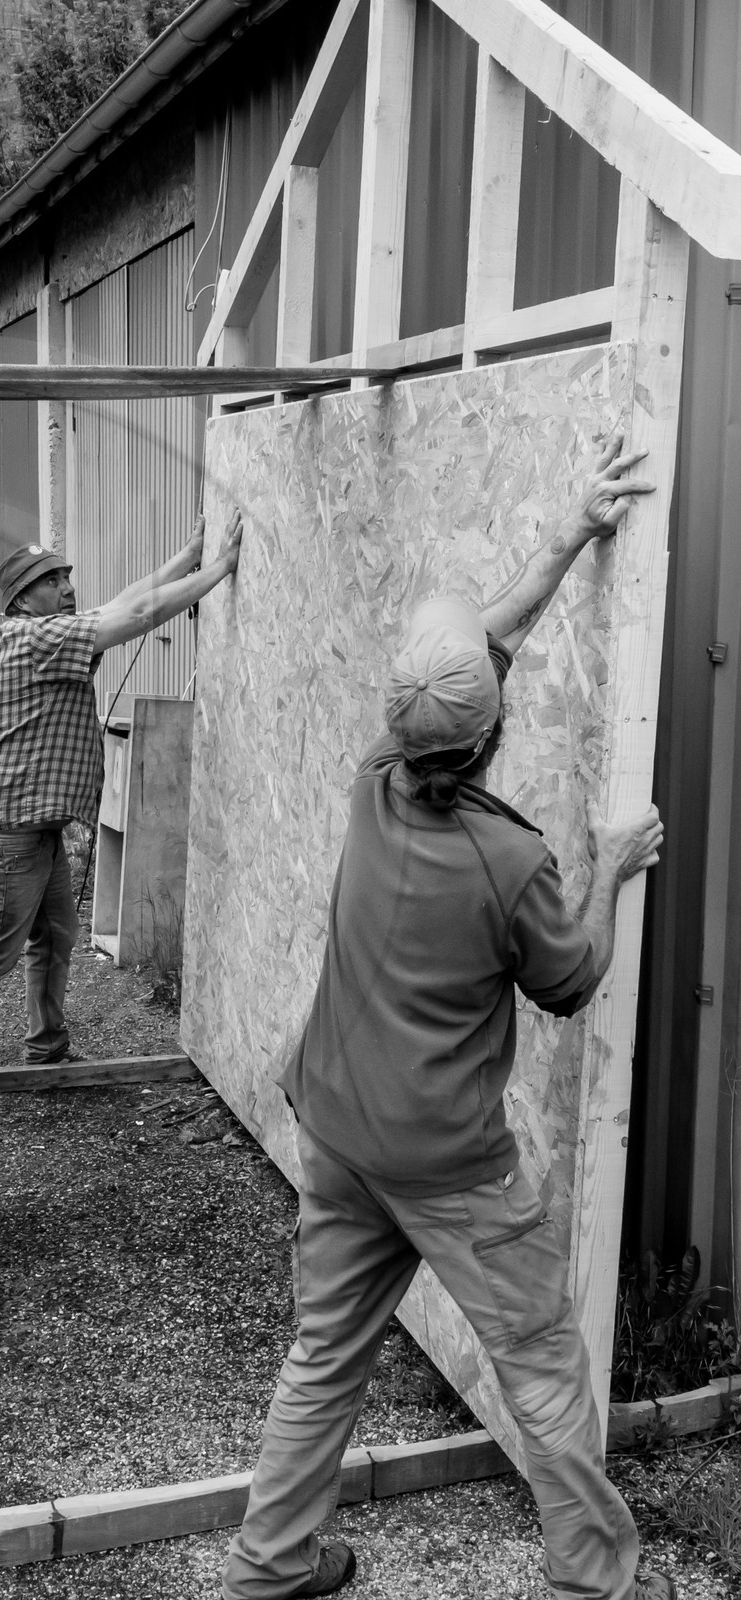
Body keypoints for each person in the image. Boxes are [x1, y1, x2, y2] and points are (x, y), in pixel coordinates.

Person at [223, 435, 673, 1600]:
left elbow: (484, 652)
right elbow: (569, 985)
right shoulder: (511, 860)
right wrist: (608, 865)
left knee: (324, 1354)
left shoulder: (379, 779)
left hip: (337, 1131)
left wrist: (570, 531)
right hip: (447, 1165)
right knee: (538, 1361)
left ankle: (271, 1566)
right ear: (485, 743)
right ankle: (594, 1580)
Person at [0, 511, 243, 1124]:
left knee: (55, 936)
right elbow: (137, 617)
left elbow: (123, 601)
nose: (65, 586)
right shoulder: (33, 638)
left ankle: (47, 1054)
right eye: (50, 580)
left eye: (64, 575)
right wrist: (219, 570)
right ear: (22, 598)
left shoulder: (49, 629)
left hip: (36, 824)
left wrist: (189, 553)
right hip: (9, 826)